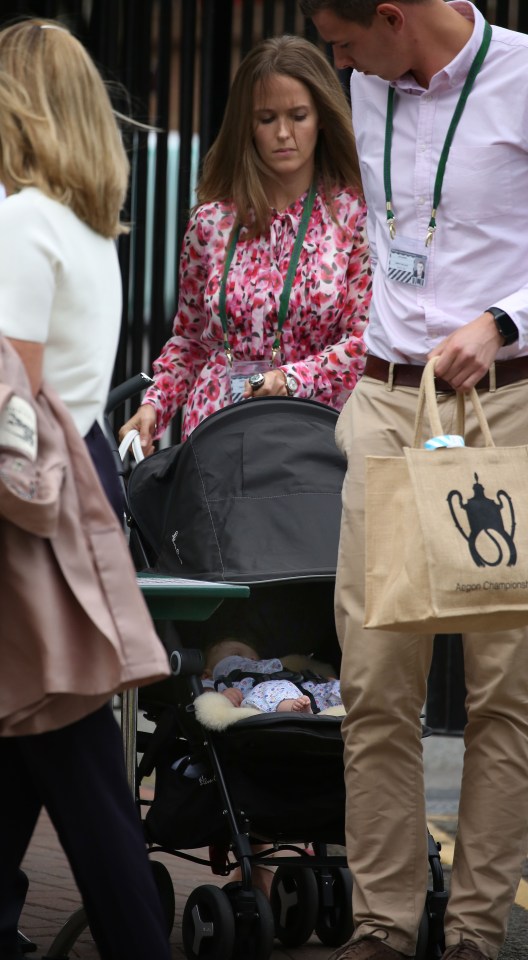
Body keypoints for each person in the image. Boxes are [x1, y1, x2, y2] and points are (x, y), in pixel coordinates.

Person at [299, 2, 528, 960]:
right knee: (375, 684)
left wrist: (504, 319)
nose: (337, 64)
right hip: (390, 402)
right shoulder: (367, 79)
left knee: (504, 692)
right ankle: (384, 927)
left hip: (504, 406)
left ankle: (476, 932)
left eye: (345, 41)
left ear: (394, 16)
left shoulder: (520, 73)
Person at [0, 19, 172, 960]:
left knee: (70, 750)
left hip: (27, 502)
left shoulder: (22, 219)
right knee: (32, 726)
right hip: (74, 481)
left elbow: (9, 400)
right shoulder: (83, 224)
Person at [119, 33, 371, 453]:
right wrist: (154, 405)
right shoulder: (211, 221)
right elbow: (191, 339)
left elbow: (365, 343)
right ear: (247, 124)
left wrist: (289, 379)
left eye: (299, 115)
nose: (284, 133)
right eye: (267, 118)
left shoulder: (353, 216)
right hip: (216, 430)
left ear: (322, 118)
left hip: (315, 434)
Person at [202, 638, 342, 714]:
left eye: (254, 656)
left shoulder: (271, 669)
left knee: (333, 686)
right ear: (207, 674)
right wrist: (222, 695)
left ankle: (352, 699)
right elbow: (204, 698)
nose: (250, 658)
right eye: (237, 654)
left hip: (305, 692)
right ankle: (294, 709)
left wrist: (323, 681)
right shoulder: (214, 682)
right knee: (275, 686)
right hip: (264, 694)